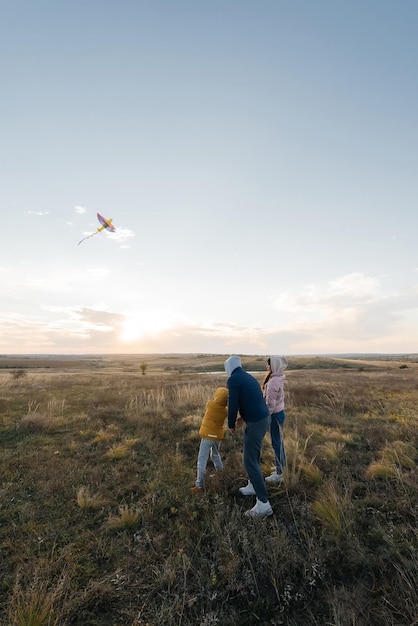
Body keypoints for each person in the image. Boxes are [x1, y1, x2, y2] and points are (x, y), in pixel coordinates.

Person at [224, 355, 273, 518]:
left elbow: (233, 405)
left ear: (228, 368)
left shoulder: (233, 380)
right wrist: (244, 417)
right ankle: (253, 485)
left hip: (257, 422)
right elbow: (252, 399)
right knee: (253, 455)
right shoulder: (247, 376)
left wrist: (230, 424)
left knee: (250, 460)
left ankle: (263, 504)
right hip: (262, 418)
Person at [190, 387, 228, 493]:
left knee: (202, 460)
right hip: (217, 437)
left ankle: (199, 485)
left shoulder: (210, 404)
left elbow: (210, 402)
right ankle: (221, 474)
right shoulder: (225, 411)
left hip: (207, 436)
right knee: (215, 455)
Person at [262, 356, 288, 483]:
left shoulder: (273, 382)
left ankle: (279, 473)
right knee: (278, 442)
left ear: (274, 366)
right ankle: (281, 466)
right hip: (279, 414)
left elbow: (270, 404)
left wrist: (266, 418)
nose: (267, 367)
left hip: (275, 415)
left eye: (268, 365)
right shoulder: (277, 378)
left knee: (276, 443)